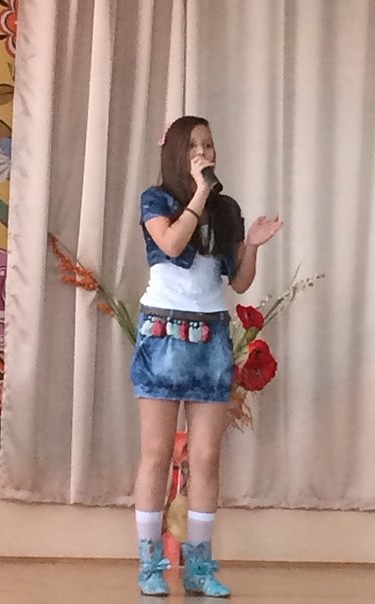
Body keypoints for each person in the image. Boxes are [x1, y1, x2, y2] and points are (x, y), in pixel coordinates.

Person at [130, 115, 282, 597]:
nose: (205, 152)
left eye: (210, 144)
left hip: (211, 335)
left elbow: (238, 281)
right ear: (176, 152)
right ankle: (150, 564)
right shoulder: (155, 200)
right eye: (195, 145)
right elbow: (171, 242)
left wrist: (251, 246)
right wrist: (199, 193)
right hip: (162, 334)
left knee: (207, 456)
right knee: (156, 453)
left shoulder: (227, 208)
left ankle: (199, 565)